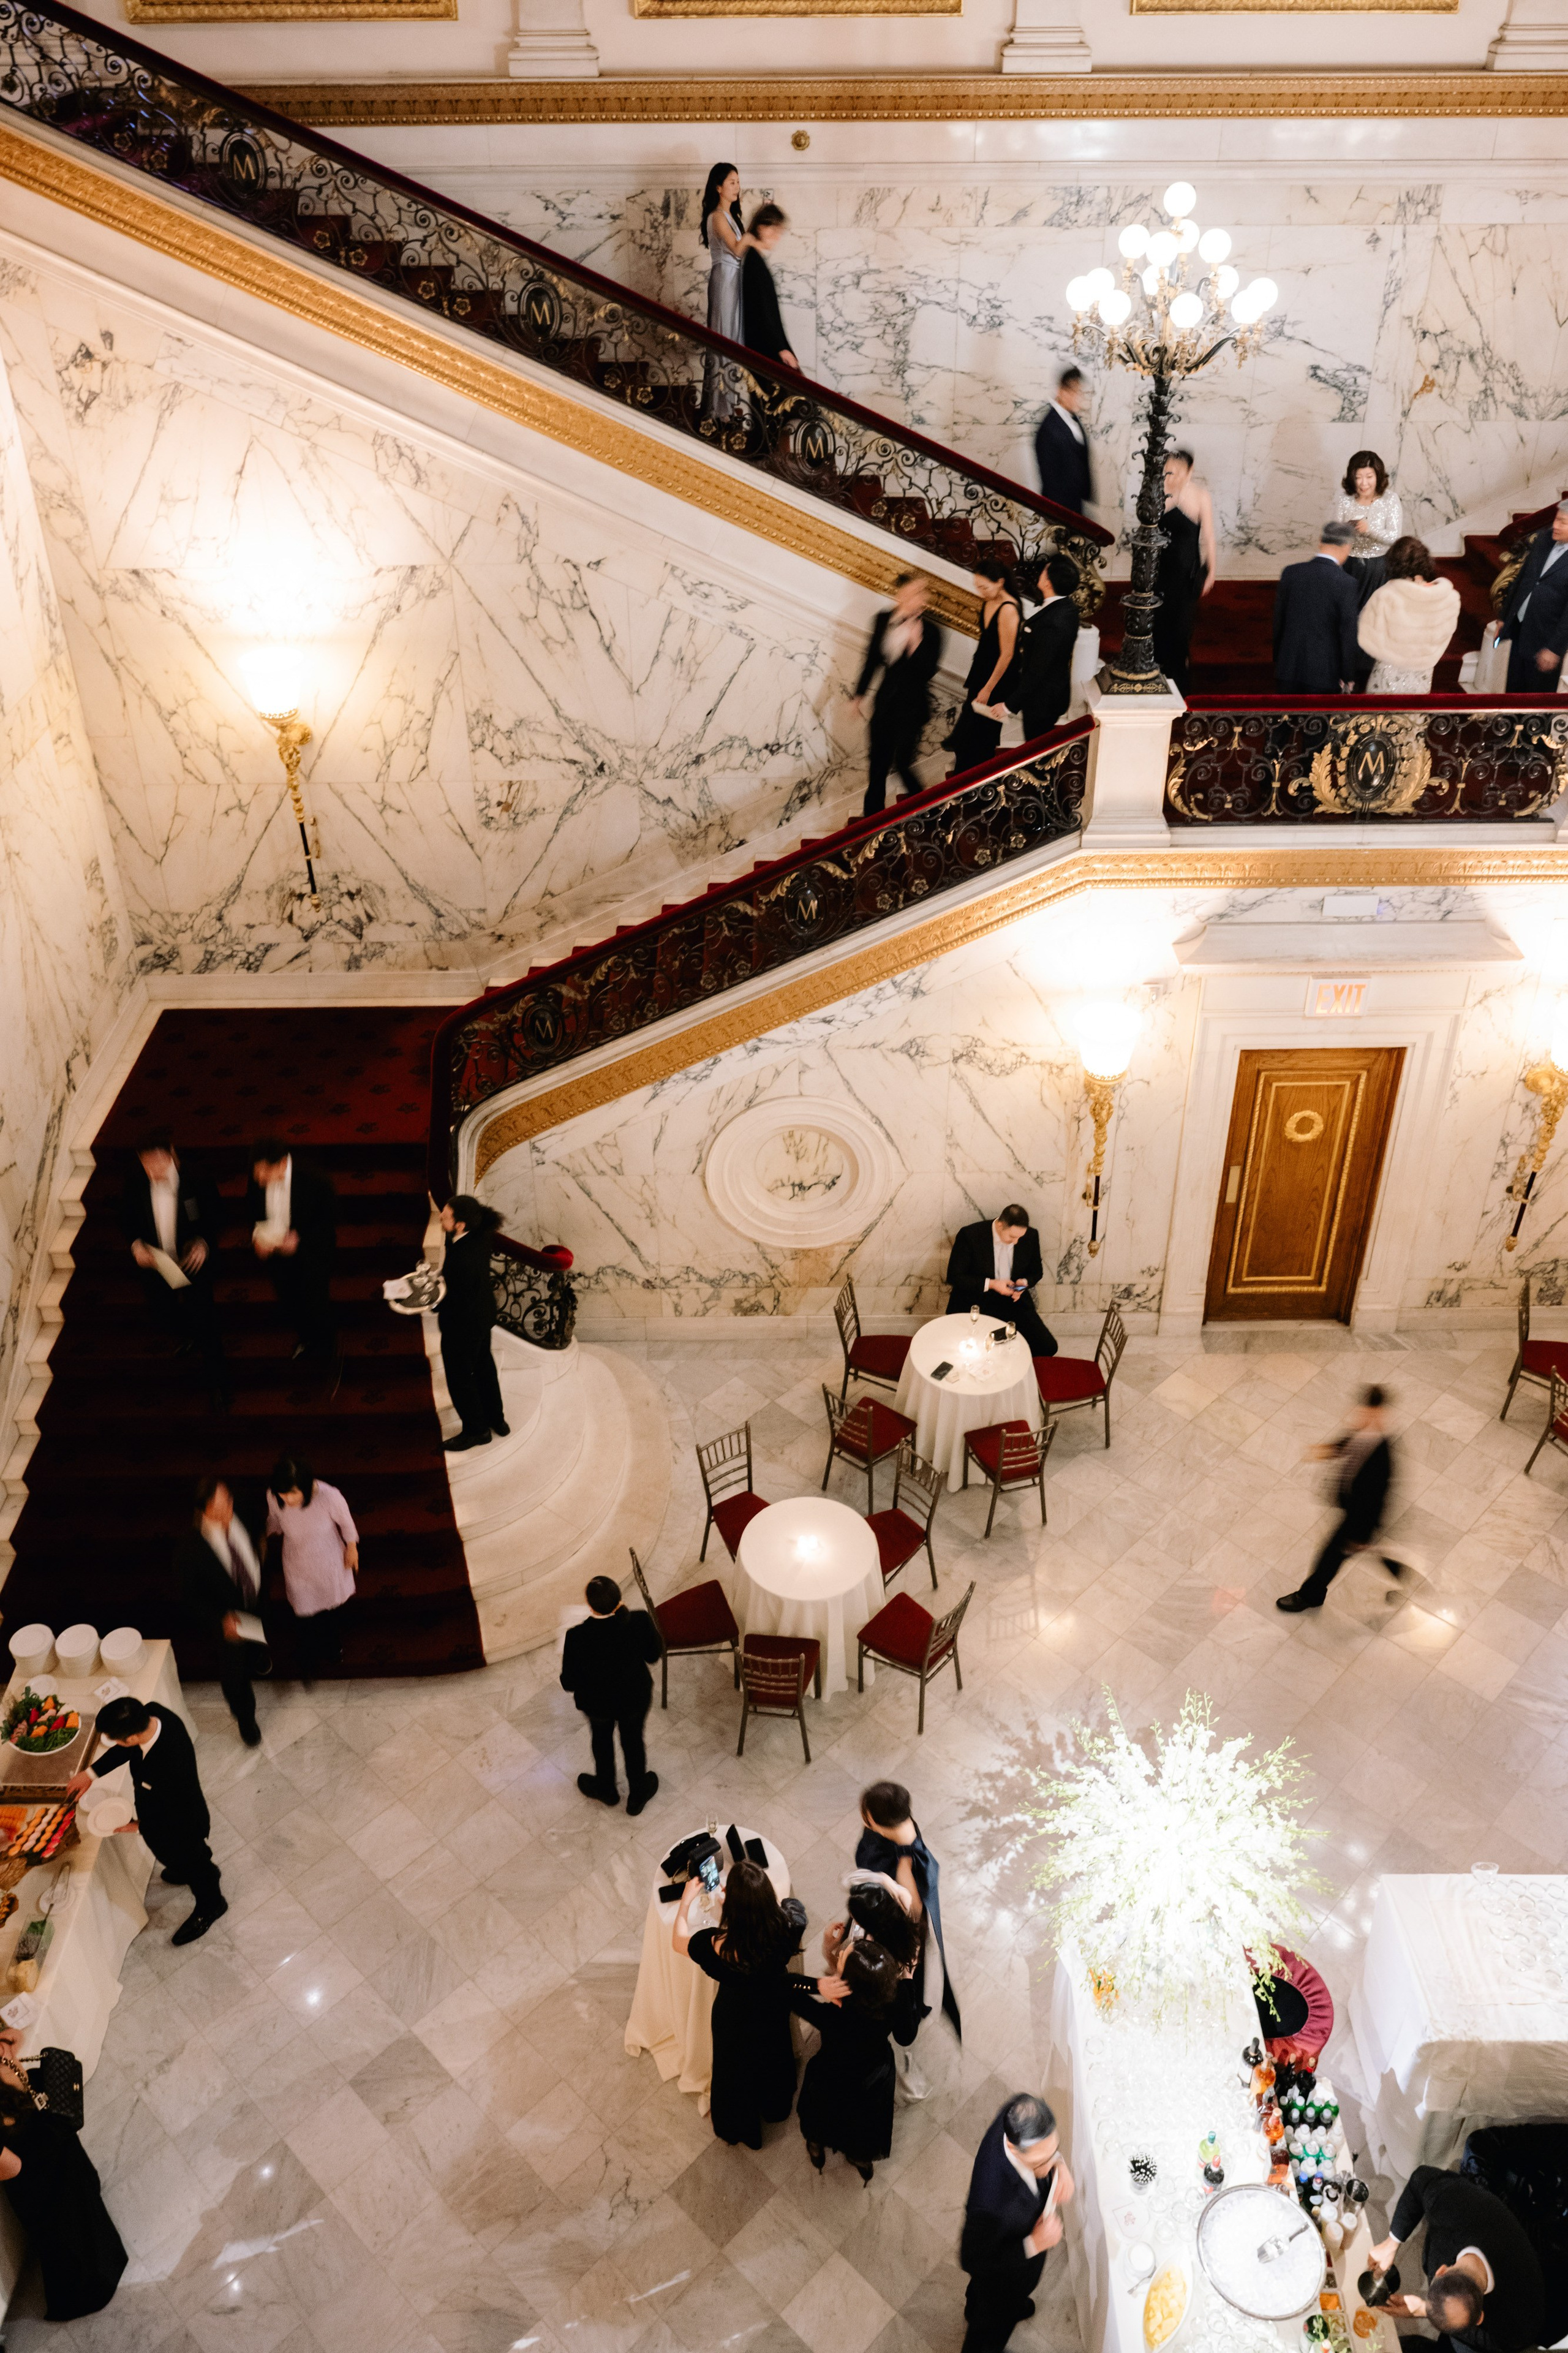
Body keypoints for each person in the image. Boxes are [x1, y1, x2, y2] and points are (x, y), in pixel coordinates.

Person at [66, 1694, 225, 1944]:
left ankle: (212, 1904)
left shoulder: (171, 1762)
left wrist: (139, 1826)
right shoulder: (150, 1714)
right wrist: (90, 1774)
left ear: (131, 1738)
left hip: (181, 1825)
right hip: (162, 1812)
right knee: (176, 1859)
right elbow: (125, 1750)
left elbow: (175, 1812)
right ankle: (191, 1869)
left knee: (193, 1862)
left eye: (117, 1739)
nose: (116, 1743)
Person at [674, 1857, 807, 2148]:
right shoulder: (787, 1927)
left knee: (734, 2069)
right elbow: (795, 1908)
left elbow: (678, 1940)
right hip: (772, 2004)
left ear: (733, 1906)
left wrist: (686, 1903)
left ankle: (739, 2125)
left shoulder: (718, 1945)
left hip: (734, 2015)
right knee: (772, 2052)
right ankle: (775, 2106)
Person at [0, 2029, 127, 2319]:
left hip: (50, 2163)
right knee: (70, 2231)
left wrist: (8, 2053)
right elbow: (13, 2169)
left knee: (78, 2221)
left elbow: (13, 2034)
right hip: (44, 2176)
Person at [1368, 2163, 1544, 2353]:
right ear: (1442, 2270)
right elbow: (1421, 2179)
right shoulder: (1458, 2211)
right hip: (1478, 2216)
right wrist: (1392, 2242)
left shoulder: (1521, 2319)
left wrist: (1425, 2310)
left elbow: (1505, 2343)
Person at [960, 2092, 1075, 2353]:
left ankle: (975, 2305)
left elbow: (1048, 2157)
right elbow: (972, 2260)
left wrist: (1059, 2163)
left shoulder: (1019, 2110)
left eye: (1053, 2152)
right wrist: (1034, 2244)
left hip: (1016, 2275)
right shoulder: (989, 2203)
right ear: (1013, 2147)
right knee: (987, 2338)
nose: (1048, 2168)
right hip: (999, 2288)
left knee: (986, 2297)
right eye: (1040, 2163)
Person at [121, 1131, 227, 1409]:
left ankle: (218, 1382)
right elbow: (126, 1220)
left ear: (171, 1154)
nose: (153, 1170)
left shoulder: (198, 1179)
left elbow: (217, 1217)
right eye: (146, 1164)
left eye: (157, 1162)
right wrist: (136, 1247)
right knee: (162, 1315)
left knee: (206, 1321)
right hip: (157, 1265)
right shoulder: (134, 1182)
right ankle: (189, 1332)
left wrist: (204, 1243)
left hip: (194, 1265)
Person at [1276, 1384, 1404, 1613]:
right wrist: (1329, 1451)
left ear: (1381, 1414)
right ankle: (1403, 1575)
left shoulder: (1383, 1457)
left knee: (1330, 1558)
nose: (1362, 1416)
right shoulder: (1362, 1431)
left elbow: (1377, 1500)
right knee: (1370, 1551)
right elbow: (1348, 1444)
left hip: (1359, 1519)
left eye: (1369, 1413)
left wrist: (1360, 1533)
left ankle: (1310, 1596)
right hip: (1353, 1510)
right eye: (1363, 1411)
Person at [856, 1778, 962, 2038]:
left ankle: (904, 2011)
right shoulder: (894, 1825)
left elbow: (913, 1912)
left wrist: (903, 1863)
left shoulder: (909, 1856)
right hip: (879, 1903)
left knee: (899, 1977)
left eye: (866, 1814)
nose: (862, 1816)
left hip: (896, 1925)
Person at [791, 1934, 900, 2183]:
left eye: (842, 1957)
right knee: (864, 2120)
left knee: (822, 2113)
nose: (839, 1954)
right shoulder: (893, 2001)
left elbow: (785, 1987)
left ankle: (816, 2146)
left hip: (834, 2074)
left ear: (849, 1984)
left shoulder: (832, 2015)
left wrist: (816, 1985)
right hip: (875, 2074)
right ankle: (859, 2156)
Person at [559, 1573, 661, 1815]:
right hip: (634, 1699)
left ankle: (607, 1789)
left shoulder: (576, 1637)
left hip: (598, 1705)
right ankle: (637, 1794)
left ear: (590, 1606)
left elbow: (569, 1682)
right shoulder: (639, 1621)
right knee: (633, 1742)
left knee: (602, 1741)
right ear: (619, 1598)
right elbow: (653, 1655)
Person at [177, 1473, 266, 1747]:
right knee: (234, 1678)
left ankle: (260, 1656)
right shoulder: (189, 1551)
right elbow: (190, 1598)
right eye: (220, 1507)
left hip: (257, 1602)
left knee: (260, 1643)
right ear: (205, 1510)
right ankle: (245, 1719)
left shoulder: (244, 1512)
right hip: (229, 1622)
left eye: (228, 1500)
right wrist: (220, 1619)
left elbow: (259, 1535)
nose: (229, 1509)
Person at [852, 573, 945, 817]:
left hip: (912, 706)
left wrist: (915, 645)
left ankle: (929, 814)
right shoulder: (883, 620)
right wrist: (858, 695)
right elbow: (871, 659)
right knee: (877, 766)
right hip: (885, 703)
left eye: (923, 593)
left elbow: (927, 672)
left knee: (903, 764)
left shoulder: (933, 631)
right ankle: (870, 824)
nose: (922, 598)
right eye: (916, 592)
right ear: (901, 594)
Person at [265, 1456, 358, 1681]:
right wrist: (261, 1537)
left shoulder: (329, 1496)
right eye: (283, 1494)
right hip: (297, 1560)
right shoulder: (274, 1495)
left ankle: (333, 1646)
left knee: (330, 1607)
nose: (287, 1499)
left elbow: (346, 1523)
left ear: (306, 1486)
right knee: (304, 1608)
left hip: (327, 1558)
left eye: (294, 1493)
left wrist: (352, 1547)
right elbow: (275, 1520)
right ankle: (309, 1655)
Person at [834, 1875, 927, 2096]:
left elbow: (905, 2035)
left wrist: (907, 1982)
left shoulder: (883, 1967)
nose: (853, 1923)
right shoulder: (900, 1924)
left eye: (856, 1919)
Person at [246, 1136, 336, 1362]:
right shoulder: (258, 1177)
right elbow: (252, 1212)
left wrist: (300, 1241)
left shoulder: (316, 1181)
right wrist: (257, 1237)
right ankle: (306, 1339)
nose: (259, 1180)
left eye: (265, 1174)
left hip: (311, 1256)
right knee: (289, 1301)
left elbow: (328, 1223)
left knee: (316, 1304)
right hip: (277, 1258)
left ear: (283, 1164)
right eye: (257, 1174)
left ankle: (327, 1349)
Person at [438, 1195, 510, 1452]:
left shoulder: (463, 1261)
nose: (440, 1218)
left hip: (464, 1324)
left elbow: (455, 1299)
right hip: (483, 1315)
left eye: (445, 1216)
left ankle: (477, 1431)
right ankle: (496, 1419)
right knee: (484, 1367)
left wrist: (431, 1302)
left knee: (459, 1377)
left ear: (460, 1225)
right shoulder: (480, 1234)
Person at [945, 1205, 1057, 1362]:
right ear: (1000, 1225)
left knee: (1048, 1347)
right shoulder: (970, 1235)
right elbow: (954, 1276)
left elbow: (1037, 1272)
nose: (1017, 1242)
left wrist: (1023, 1283)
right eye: (1012, 1237)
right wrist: (992, 1284)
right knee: (978, 1352)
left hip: (1014, 1302)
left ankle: (1017, 1373)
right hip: (977, 1300)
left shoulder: (1030, 1236)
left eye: (1020, 1237)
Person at [946, 557, 1022, 777]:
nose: (980, 592)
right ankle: (964, 784)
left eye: (984, 587)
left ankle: (979, 788)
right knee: (968, 736)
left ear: (1000, 582)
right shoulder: (989, 602)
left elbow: (1007, 655)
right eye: (977, 587)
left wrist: (988, 688)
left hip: (997, 681)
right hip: (981, 674)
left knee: (982, 738)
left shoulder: (1009, 609)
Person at [1358, 536, 1461, 693]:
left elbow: (1366, 637)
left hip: (1388, 674)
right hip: (1423, 674)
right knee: (1412, 715)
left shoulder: (1386, 595)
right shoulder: (1448, 598)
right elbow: (1445, 636)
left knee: (1381, 716)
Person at [1152, 450, 1216, 696]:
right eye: (1167, 471)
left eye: (1176, 472)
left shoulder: (1200, 496)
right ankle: (1156, 680)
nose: (1171, 476)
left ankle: (1178, 686)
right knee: (1158, 627)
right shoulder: (1158, 494)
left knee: (1180, 629)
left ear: (1189, 472)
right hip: (1159, 573)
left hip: (1187, 574)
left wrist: (1211, 570)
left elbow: (1209, 536)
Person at [1272, 523, 1360, 695]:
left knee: (1284, 722)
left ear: (1320, 541)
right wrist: (1348, 675)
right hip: (1324, 673)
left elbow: (1278, 622)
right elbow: (1347, 633)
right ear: (1347, 547)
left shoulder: (1291, 573)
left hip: (1288, 667)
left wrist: (1280, 660)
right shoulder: (1347, 583)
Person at [1494, 499, 1568, 693]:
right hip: (1520, 627)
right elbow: (1521, 579)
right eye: (1556, 519)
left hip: (1545, 639)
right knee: (1513, 691)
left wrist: (1554, 648)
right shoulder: (1544, 539)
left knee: (1536, 702)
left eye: (1563, 522)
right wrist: (1504, 617)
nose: (1555, 526)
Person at [1011, 554, 1080, 741]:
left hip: (1042, 701)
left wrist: (1010, 705)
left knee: (1036, 750)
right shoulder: (1067, 607)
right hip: (1051, 695)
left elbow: (1037, 670)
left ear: (1049, 583)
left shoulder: (1054, 623)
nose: (1040, 574)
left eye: (1044, 572)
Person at [699, 161, 748, 423]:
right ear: (718, 187)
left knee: (733, 340)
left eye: (738, 182)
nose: (737, 187)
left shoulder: (731, 217)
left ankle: (727, 407)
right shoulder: (717, 216)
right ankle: (719, 411)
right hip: (724, 280)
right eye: (732, 182)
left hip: (734, 280)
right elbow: (737, 249)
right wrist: (756, 233)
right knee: (723, 338)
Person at [741, 203, 798, 373]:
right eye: (775, 231)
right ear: (761, 228)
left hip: (766, 346)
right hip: (765, 348)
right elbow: (763, 309)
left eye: (780, 232)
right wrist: (781, 348)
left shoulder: (756, 260)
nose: (777, 237)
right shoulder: (754, 262)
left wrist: (784, 346)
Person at [1033, 368, 1093, 516]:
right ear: (1061, 391)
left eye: (1079, 392)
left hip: (1076, 504)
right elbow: (1049, 475)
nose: (1077, 397)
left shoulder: (1072, 418)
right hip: (1059, 509)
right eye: (1074, 392)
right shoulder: (1049, 427)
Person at [1333, 450, 1403, 562]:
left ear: (1378, 477)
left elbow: (1395, 538)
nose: (1364, 483)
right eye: (1358, 477)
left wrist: (1369, 530)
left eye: (1369, 477)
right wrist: (1346, 529)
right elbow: (1334, 535)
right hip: (1347, 561)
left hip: (1379, 562)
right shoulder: (1344, 498)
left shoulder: (1390, 499)